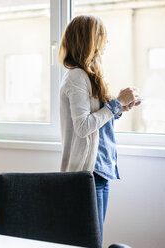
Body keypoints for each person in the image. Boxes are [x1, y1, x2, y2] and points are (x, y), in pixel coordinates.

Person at [58, 15, 141, 244]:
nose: (106, 42)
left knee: (94, 239)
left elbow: (98, 123)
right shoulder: (76, 77)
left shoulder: (90, 75)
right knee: (91, 240)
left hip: (101, 170)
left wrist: (120, 107)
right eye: (102, 36)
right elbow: (83, 127)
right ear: (89, 40)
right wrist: (115, 104)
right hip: (89, 172)